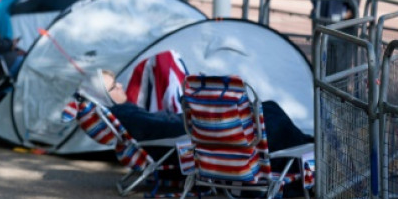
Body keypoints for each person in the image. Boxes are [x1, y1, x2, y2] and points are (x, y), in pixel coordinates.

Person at [91, 70, 313, 154]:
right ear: (104, 95)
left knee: (269, 109)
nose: (120, 86)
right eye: (113, 87)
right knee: (269, 115)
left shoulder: (125, 113)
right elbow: (166, 128)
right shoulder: (126, 115)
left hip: (195, 130)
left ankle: (305, 143)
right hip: (199, 134)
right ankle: (306, 147)